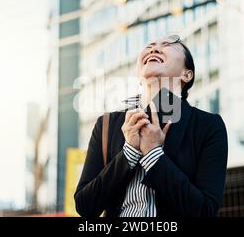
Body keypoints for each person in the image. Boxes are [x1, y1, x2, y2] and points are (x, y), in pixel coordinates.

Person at [74, 35, 228, 217]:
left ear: (187, 74)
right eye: (150, 46)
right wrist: (129, 152)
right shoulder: (107, 124)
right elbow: (85, 206)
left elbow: (204, 211)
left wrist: (154, 154)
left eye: (168, 45)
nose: (154, 49)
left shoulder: (207, 126)